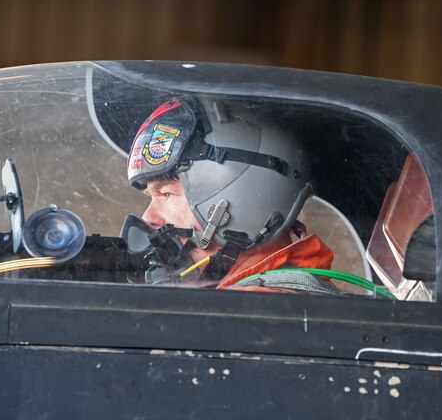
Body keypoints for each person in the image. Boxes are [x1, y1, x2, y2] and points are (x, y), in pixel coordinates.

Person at [125, 97, 338, 294]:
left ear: (241, 205)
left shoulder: (248, 314)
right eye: (151, 197)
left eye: (167, 194)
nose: (149, 217)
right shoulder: (246, 305)